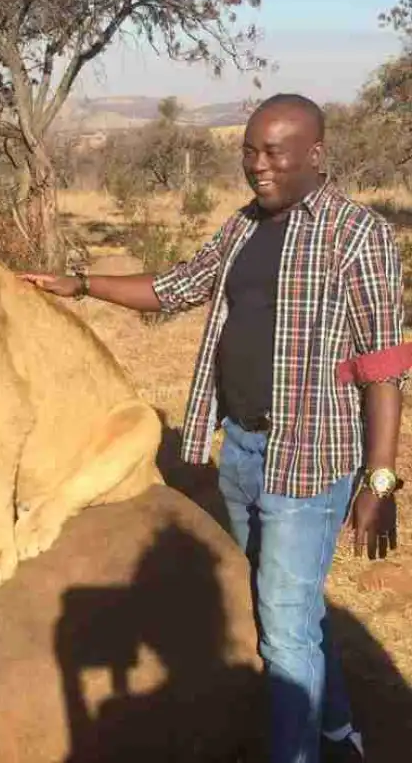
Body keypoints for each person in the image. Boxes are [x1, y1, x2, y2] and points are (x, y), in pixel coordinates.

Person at [21, 93, 408, 763]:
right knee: (290, 606)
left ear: (315, 154)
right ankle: (340, 730)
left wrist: (380, 476)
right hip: (242, 451)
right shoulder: (243, 226)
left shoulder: (358, 234)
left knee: (283, 629)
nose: (257, 165)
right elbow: (176, 285)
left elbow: (384, 367)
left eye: (274, 153)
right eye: (249, 152)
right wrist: (81, 284)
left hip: (310, 459)